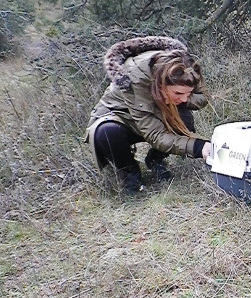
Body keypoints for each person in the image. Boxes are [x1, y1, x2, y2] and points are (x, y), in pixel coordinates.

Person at [85, 36, 212, 194]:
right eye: (178, 92)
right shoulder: (134, 77)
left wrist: (181, 99)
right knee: (108, 132)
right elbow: (155, 134)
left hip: (155, 110)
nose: (185, 97)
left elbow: (203, 97)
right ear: (160, 85)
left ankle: (155, 160)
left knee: (184, 119)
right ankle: (129, 173)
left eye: (188, 93)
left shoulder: (185, 66)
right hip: (119, 116)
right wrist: (198, 147)